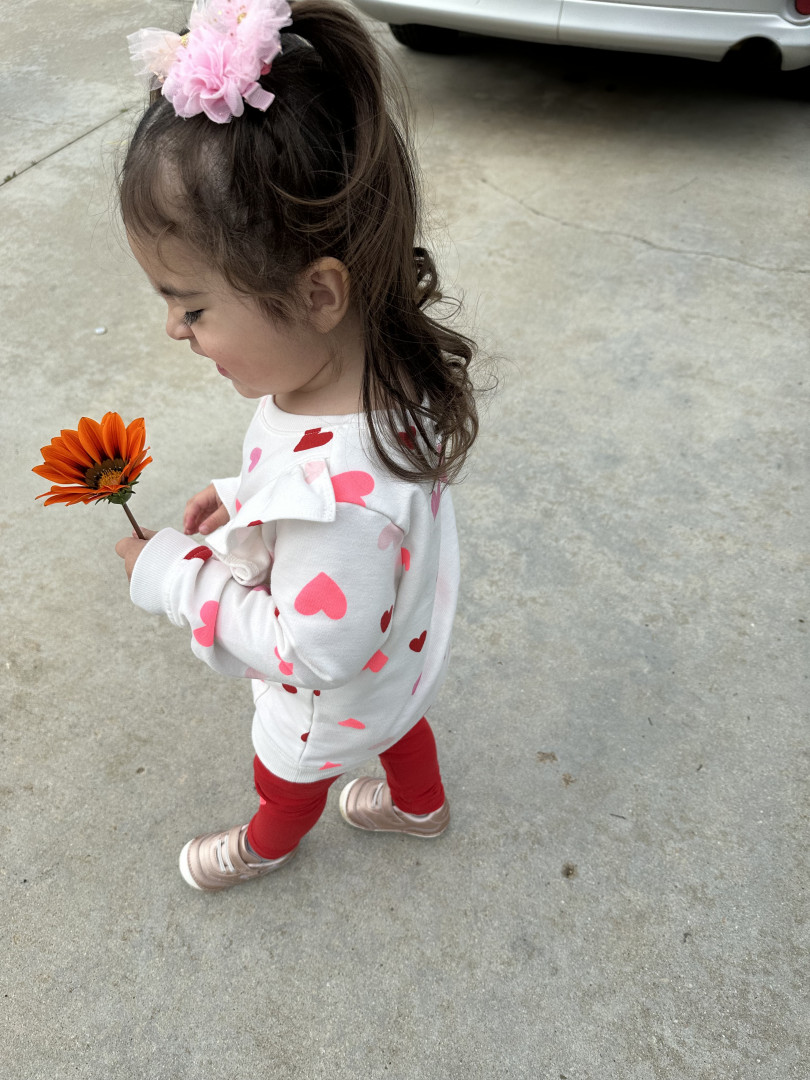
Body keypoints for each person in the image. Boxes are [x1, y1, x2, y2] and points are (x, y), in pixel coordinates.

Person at [115, 0, 479, 892]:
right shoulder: (371, 370)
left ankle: (265, 846)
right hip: (399, 666)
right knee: (402, 727)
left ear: (319, 294)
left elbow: (310, 650)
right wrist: (248, 499)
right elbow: (315, 477)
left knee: (286, 778)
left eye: (193, 305)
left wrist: (175, 576)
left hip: (330, 701)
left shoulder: (344, 505)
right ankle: (421, 808)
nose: (174, 329)